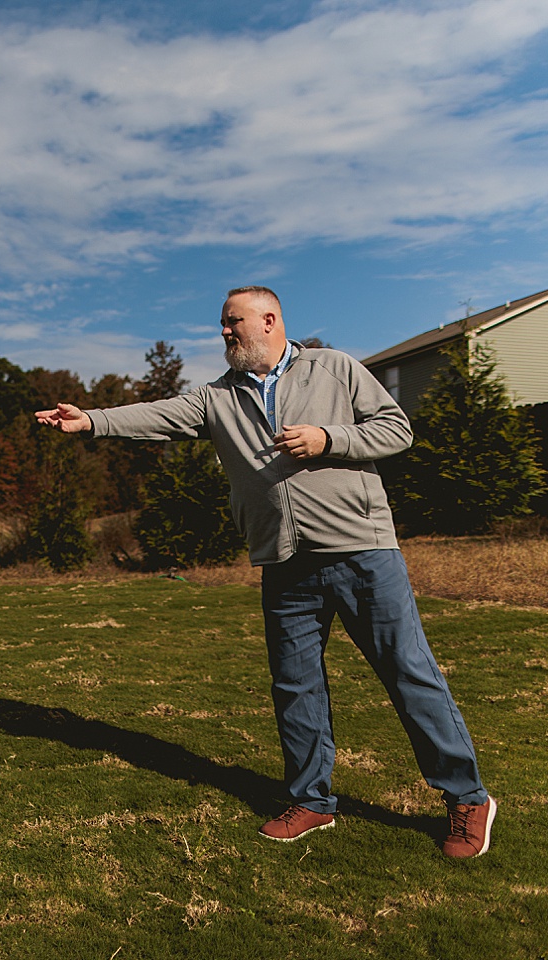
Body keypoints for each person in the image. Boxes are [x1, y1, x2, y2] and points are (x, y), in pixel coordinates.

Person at [35, 285, 495, 858]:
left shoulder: (335, 368)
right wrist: (92, 420)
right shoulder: (218, 397)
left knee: (408, 672)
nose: (225, 332)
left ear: (270, 319)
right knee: (295, 685)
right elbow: (159, 415)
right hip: (284, 559)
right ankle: (312, 801)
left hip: (361, 550)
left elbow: (396, 429)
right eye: (223, 324)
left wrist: (329, 439)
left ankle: (466, 797)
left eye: (234, 322)